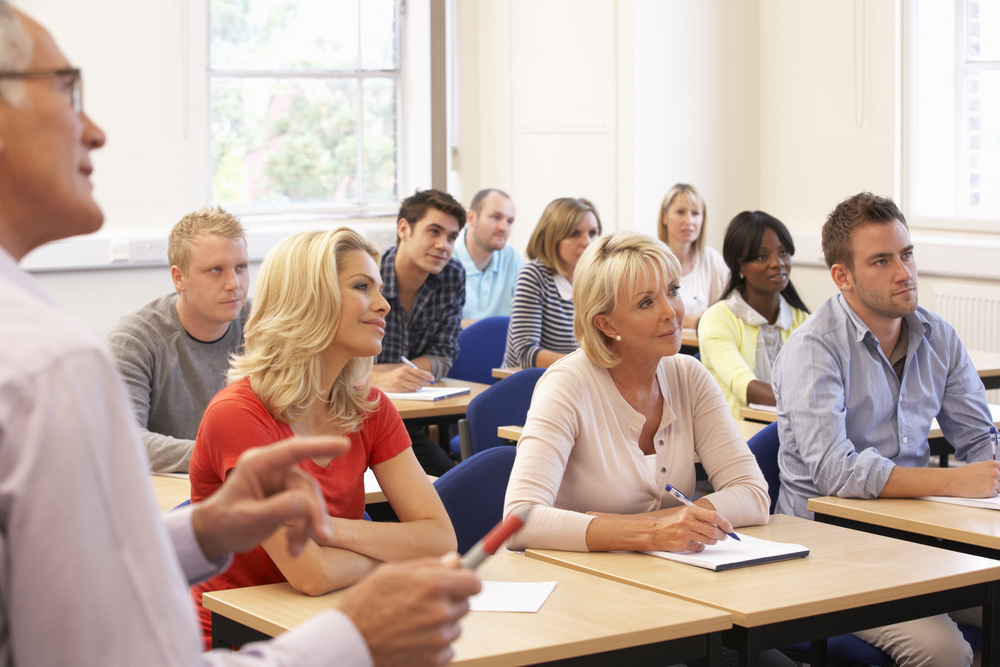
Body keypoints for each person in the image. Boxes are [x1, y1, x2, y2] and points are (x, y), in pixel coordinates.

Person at [0, 4, 480, 665]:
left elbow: (59, 577)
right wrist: (356, 635)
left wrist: (201, 531)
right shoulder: (50, 361)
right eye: (65, 90)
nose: (96, 130)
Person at [190, 228, 458, 648]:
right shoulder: (238, 415)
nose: (384, 305)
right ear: (309, 300)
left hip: (329, 621)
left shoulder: (369, 406)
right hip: (240, 637)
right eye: (361, 287)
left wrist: (330, 531)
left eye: (379, 289)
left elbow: (440, 540)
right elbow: (311, 574)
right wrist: (391, 560)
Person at [773, 192, 998, 667]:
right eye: (881, 261)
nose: (904, 272)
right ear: (842, 277)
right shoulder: (813, 349)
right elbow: (836, 472)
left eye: (907, 254)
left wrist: (988, 475)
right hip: (827, 553)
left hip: (911, 544)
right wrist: (954, 482)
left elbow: (981, 443)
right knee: (945, 652)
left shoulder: (938, 336)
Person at [503, 230, 770, 552]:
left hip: (662, 576)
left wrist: (665, 525)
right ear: (607, 325)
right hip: (576, 582)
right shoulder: (568, 384)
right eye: (646, 302)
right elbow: (520, 520)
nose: (671, 311)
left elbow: (753, 493)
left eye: (673, 290)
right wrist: (653, 532)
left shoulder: (690, 376)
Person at [107, 207, 250, 473]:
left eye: (241, 267)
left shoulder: (263, 325)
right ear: (178, 278)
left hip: (247, 484)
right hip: (169, 492)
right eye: (216, 270)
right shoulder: (135, 339)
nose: (234, 283)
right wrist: (225, 457)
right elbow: (123, 441)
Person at [371, 188, 467, 476]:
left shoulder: (452, 275)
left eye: (451, 237)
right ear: (404, 229)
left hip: (407, 420)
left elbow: (444, 355)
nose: (443, 245)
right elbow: (332, 360)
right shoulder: (367, 274)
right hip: (353, 415)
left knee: (449, 479)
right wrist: (380, 378)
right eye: (434, 232)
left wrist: (398, 376)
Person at [698, 211, 810, 420]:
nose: (778, 263)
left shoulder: (803, 321)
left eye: (784, 252)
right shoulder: (717, 319)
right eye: (762, 256)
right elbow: (746, 387)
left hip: (795, 432)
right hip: (738, 436)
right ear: (740, 265)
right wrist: (813, 402)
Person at [503, 197, 600, 369]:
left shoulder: (597, 281)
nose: (587, 243)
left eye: (592, 233)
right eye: (574, 234)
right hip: (526, 385)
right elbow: (527, 355)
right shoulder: (533, 275)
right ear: (552, 238)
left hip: (574, 382)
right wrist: (590, 364)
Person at [657, 183, 729, 329]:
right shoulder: (652, 261)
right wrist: (686, 321)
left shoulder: (712, 259)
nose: (689, 221)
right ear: (664, 216)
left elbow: (729, 310)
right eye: (680, 212)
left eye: (695, 213)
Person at [454, 188, 523, 326]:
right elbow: (439, 325)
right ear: (471, 218)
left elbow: (530, 314)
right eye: (496, 217)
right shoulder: (447, 257)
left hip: (502, 345)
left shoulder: (511, 256)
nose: (504, 228)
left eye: (509, 221)